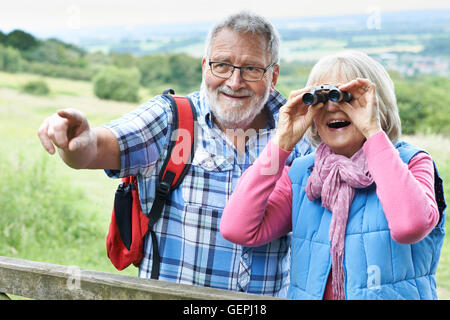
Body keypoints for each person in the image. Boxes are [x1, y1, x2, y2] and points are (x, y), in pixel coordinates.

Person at [37, 11, 313, 297]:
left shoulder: (299, 131)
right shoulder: (172, 118)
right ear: (205, 66)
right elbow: (97, 149)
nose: (234, 81)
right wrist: (80, 141)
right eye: (222, 65)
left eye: (252, 69)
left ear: (274, 75)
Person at [220, 50, 446, 300]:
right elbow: (237, 228)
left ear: (377, 105)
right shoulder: (303, 175)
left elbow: (409, 227)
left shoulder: (413, 163)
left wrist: (372, 130)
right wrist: (282, 142)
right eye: (320, 99)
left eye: (347, 97)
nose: (333, 107)